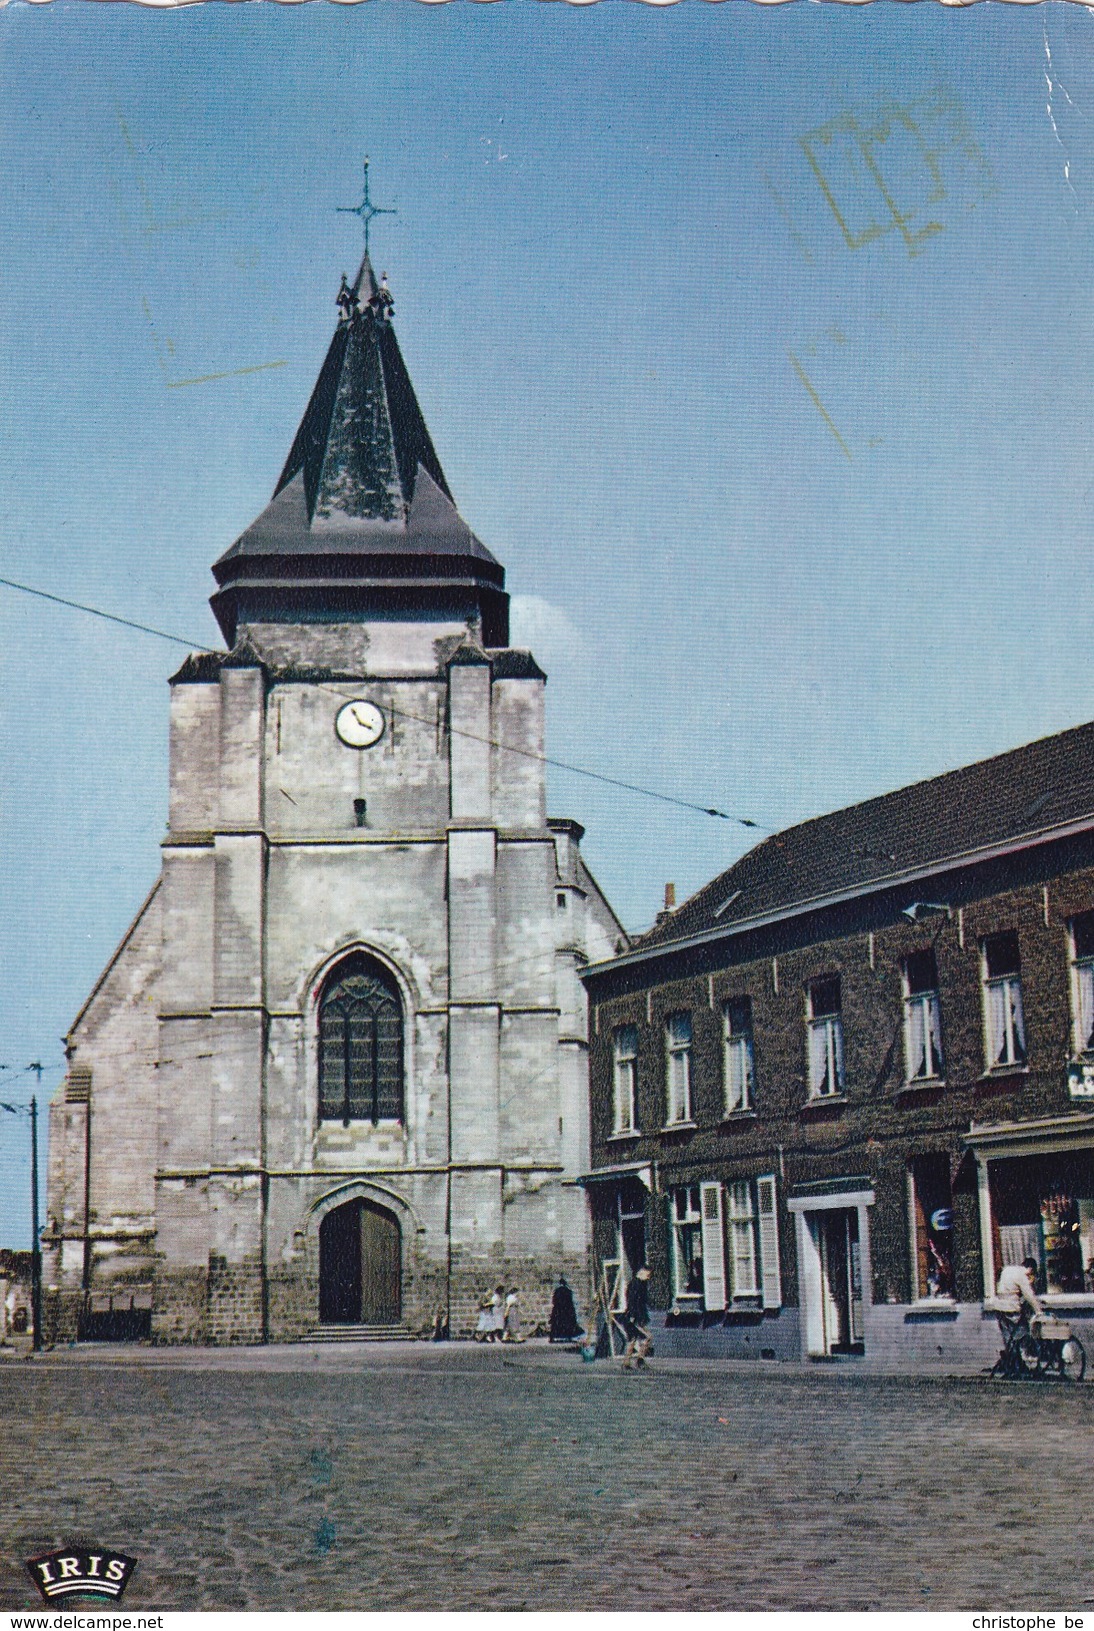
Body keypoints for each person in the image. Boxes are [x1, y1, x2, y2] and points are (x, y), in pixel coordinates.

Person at [996, 1256, 1044, 1328]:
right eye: (1031, 1273)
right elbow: (1029, 1295)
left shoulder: (1007, 1270)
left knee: (1007, 1336)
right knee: (1022, 1332)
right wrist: (1038, 1311)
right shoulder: (1021, 1275)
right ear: (1030, 1269)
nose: (1030, 1276)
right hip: (1011, 1309)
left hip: (999, 1308)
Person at [620, 1265, 652, 1369]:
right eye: (648, 1275)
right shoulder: (635, 1285)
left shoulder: (639, 1284)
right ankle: (640, 1360)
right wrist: (633, 1316)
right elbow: (632, 1302)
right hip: (634, 1317)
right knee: (647, 1337)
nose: (648, 1277)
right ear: (641, 1272)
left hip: (634, 1316)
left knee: (632, 1340)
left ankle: (626, 1363)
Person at [548, 1275, 583, 1343]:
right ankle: (569, 1336)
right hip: (567, 1309)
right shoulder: (568, 1291)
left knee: (557, 1323)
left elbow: (554, 1300)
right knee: (568, 1323)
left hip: (559, 1309)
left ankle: (553, 1337)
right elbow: (570, 1301)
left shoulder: (557, 1291)